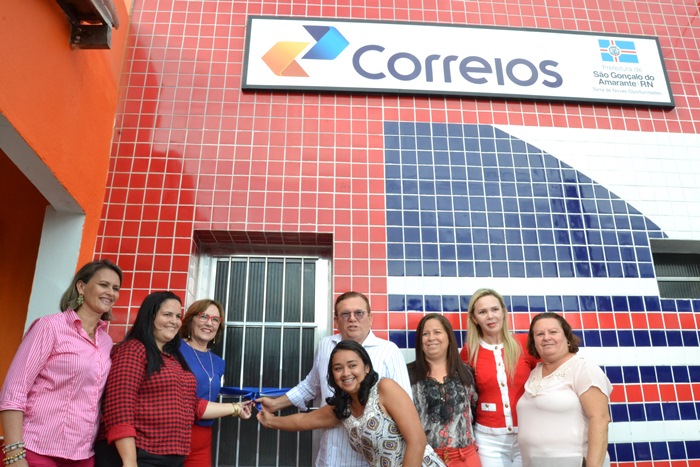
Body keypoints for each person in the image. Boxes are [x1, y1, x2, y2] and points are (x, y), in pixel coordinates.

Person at [256, 291, 412, 467]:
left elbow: (407, 410)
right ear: (336, 320)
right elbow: (311, 386)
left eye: (359, 313)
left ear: (370, 318)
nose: (352, 319)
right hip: (328, 456)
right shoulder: (326, 346)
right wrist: (275, 404)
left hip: (370, 461)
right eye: (345, 314)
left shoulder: (389, 351)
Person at [98, 291, 252, 467]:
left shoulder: (171, 357)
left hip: (169, 456)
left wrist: (236, 408)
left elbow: (192, 404)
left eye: (178, 316)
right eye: (167, 314)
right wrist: (129, 461)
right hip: (139, 454)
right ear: (151, 316)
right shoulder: (134, 350)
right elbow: (119, 408)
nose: (174, 321)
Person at [0, 259, 122, 467]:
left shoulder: (106, 342)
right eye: (104, 285)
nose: (110, 292)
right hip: (36, 449)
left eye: (116, 288)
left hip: (82, 455)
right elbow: (14, 390)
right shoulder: (50, 327)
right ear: (81, 286)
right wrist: (14, 454)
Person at [258, 340, 446, 467]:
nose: (346, 373)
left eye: (352, 365)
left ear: (366, 367)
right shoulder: (343, 408)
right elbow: (303, 421)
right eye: (338, 368)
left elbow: (417, 440)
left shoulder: (384, 388)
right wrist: (269, 420)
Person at [517, 312, 612, 467]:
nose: (546, 337)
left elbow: (600, 419)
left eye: (553, 332)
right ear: (534, 342)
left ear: (567, 337)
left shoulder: (583, 368)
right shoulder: (535, 372)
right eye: (540, 334)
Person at [459, 288, 538, 467]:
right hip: (488, 441)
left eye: (495, 309)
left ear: (503, 311)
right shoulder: (469, 352)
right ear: (474, 318)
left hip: (527, 435)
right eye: (482, 312)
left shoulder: (525, 344)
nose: (490, 316)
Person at [408, 313, 480, 466]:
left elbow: (475, 409)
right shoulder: (408, 374)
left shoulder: (466, 372)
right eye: (425, 334)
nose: (431, 338)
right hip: (425, 458)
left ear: (449, 337)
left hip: (465, 457)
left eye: (437, 332)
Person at [179, 299, 226, 467]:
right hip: (172, 433)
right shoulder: (174, 348)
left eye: (215, 319)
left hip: (202, 439)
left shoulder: (219, 362)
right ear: (191, 319)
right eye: (203, 316)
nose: (209, 323)